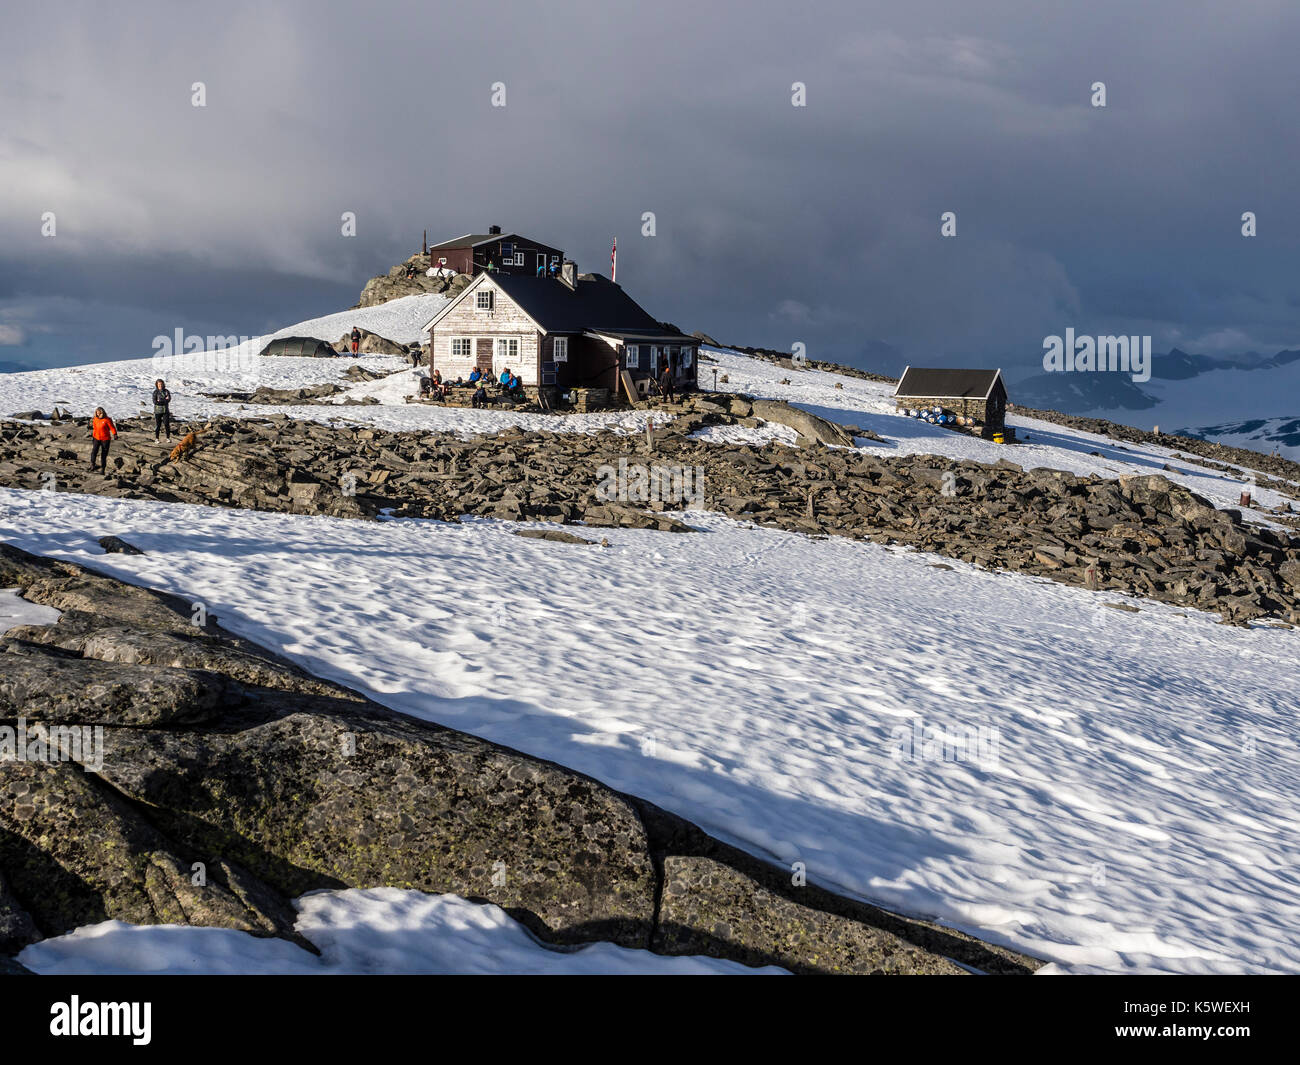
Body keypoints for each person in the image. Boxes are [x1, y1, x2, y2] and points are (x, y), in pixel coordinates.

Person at [89, 407, 118, 473]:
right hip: (96, 438)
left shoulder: (107, 419)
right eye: (97, 413)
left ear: (102, 413)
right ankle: (92, 465)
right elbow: (95, 428)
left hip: (105, 439)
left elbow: (112, 427)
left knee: (103, 455)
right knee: (94, 452)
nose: (98, 414)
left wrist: (115, 434)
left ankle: (103, 469)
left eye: (99, 413)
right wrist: (93, 436)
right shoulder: (95, 419)